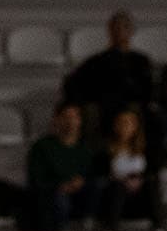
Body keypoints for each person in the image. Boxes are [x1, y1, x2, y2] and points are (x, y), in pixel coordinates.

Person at [63, 10, 155, 139]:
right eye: (115, 28)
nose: (119, 32)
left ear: (131, 31)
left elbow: (147, 89)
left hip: (131, 106)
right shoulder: (97, 61)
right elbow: (73, 83)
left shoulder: (141, 61)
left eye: (124, 27)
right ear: (110, 31)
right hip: (104, 106)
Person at [26, 101, 102, 231]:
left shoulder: (87, 148)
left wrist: (81, 182)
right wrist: (60, 185)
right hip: (53, 194)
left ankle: (89, 225)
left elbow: (93, 174)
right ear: (57, 119)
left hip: (81, 195)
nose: (70, 122)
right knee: (58, 198)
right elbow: (36, 178)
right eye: (66, 117)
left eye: (75, 117)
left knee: (96, 187)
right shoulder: (42, 147)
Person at [98, 107, 162, 231]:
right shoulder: (105, 151)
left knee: (151, 183)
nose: (125, 126)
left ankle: (158, 225)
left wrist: (138, 180)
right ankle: (112, 226)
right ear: (115, 126)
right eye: (122, 122)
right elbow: (101, 173)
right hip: (115, 192)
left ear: (136, 127)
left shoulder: (145, 150)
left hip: (139, 193)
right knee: (117, 187)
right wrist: (122, 180)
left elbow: (151, 171)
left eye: (129, 123)